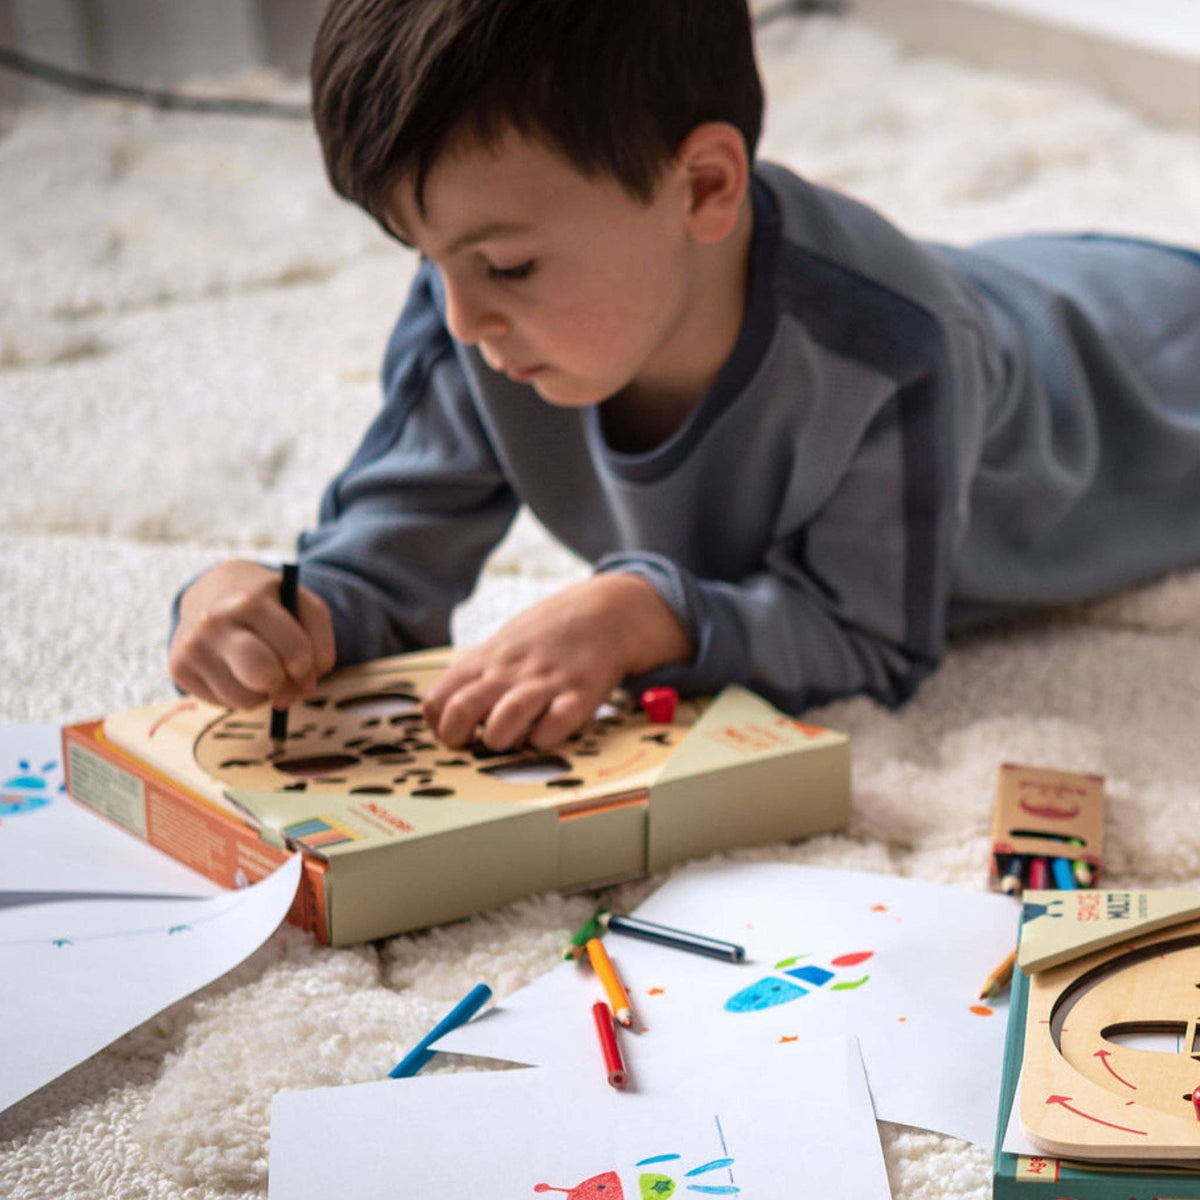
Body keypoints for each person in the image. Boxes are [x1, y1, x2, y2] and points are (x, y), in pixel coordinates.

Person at [168, 0, 1200, 753]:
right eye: (424, 259)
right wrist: (271, 610)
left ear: (703, 186)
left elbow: (869, 641)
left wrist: (637, 612)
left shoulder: (893, 355)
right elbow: (379, 577)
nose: (461, 318)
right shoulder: (472, 316)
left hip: (1152, 372)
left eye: (508, 265)